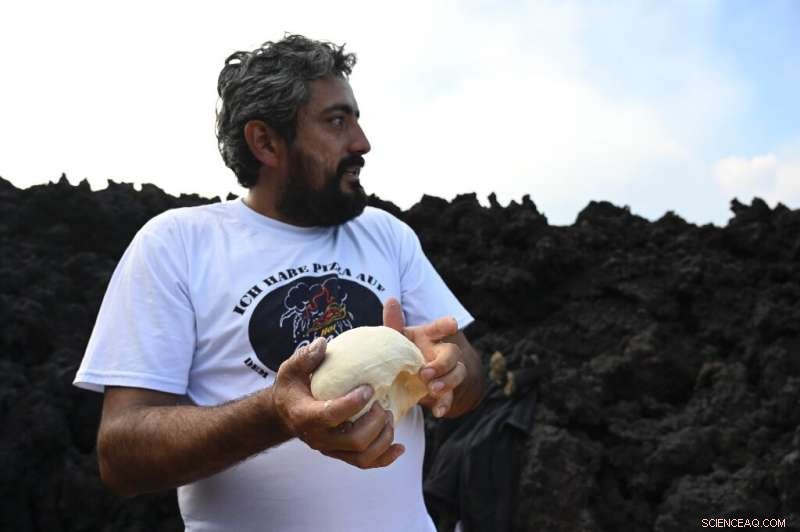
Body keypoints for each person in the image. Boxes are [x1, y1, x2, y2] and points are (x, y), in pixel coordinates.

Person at [74, 34, 485, 532]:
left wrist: (448, 371)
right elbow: (122, 455)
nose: (362, 142)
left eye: (355, 119)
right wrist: (277, 415)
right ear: (266, 142)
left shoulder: (386, 235)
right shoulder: (178, 244)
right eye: (336, 121)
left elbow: (469, 375)